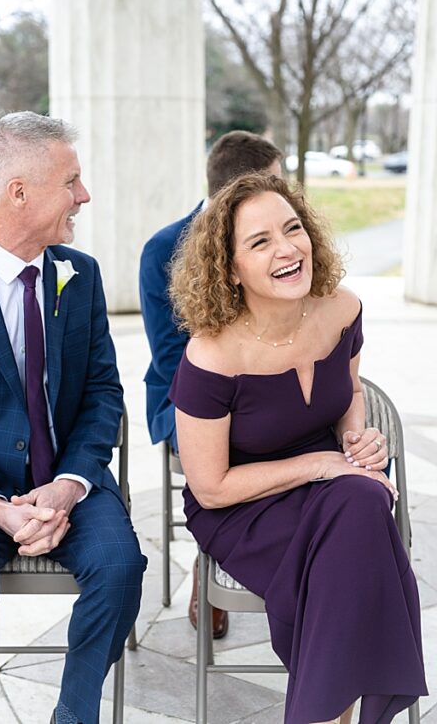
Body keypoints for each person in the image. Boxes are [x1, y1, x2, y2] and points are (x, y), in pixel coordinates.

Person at [168, 172, 427, 724]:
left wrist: (354, 437)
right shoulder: (209, 357)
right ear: (229, 267)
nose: (288, 250)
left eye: (293, 230)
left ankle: (320, 714)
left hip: (329, 489)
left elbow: (349, 391)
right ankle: (340, 713)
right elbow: (210, 489)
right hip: (244, 505)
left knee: (360, 505)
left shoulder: (342, 309)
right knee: (360, 522)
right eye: (260, 242)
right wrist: (322, 465)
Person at [0, 112, 146, 724]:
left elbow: (103, 394)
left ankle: (73, 715)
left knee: (121, 568)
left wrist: (67, 486)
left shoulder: (79, 277)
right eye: (72, 181)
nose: (83, 195)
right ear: (19, 192)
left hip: (68, 482)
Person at [139, 130, 283, 639]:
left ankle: (292, 557)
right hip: (185, 399)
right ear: (247, 188)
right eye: (278, 184)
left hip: (267, 392)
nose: (287, 196)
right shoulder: (164, 249)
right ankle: (217, 557)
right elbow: (171, 355)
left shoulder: (282, 246)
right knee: (250, 439)